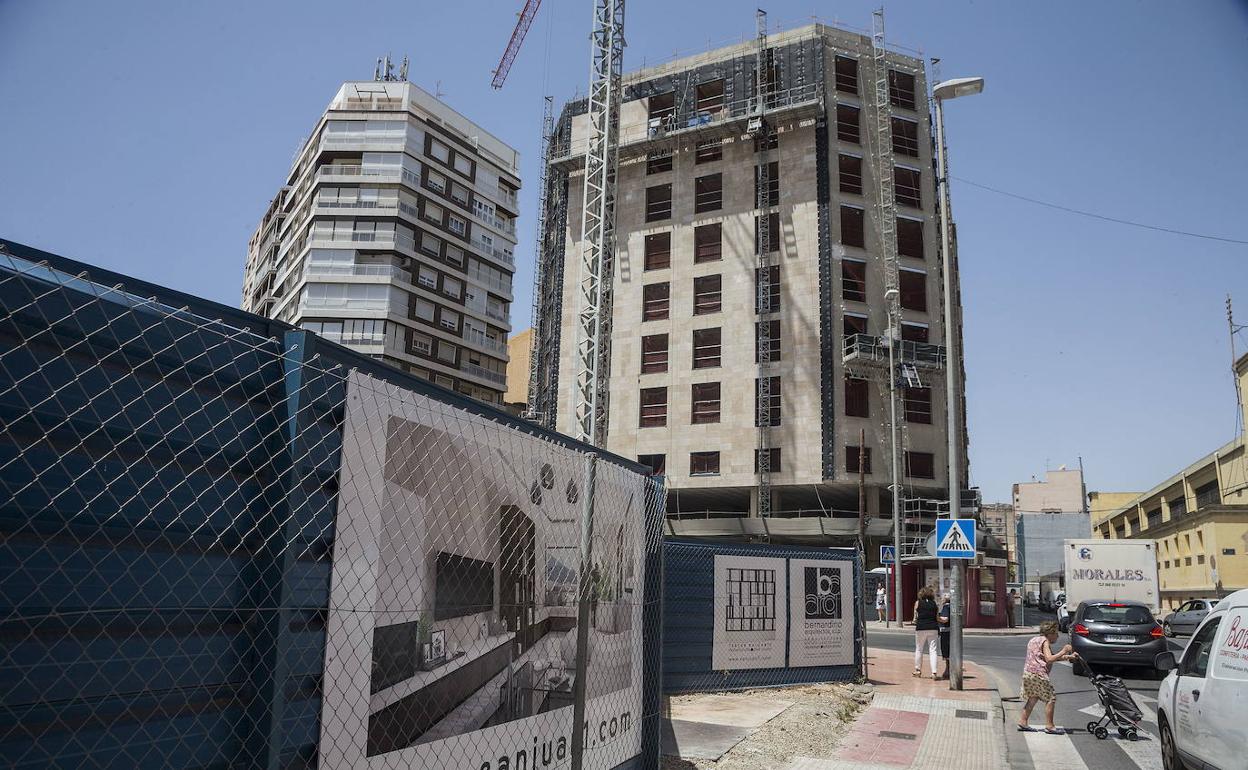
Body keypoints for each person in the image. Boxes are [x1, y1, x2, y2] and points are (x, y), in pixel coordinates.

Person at [1018, 621, 1078, 734]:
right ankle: (1050, 726)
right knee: (1051, 698)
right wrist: (1064, 650)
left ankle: (1023, 721)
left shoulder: (1034, 640)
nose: (1057, 636)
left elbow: (1049, 657)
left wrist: (1069, 656)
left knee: (1033, 697)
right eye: (1056, 633)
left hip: (1028, 673)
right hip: (1038, 674)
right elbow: (1050, 659)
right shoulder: (1045, 641)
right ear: (1050, 633)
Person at [913, 586, 940, 678]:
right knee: (933, 650)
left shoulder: (918, 603)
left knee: (919, 649)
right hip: (933, 627)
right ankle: (934, 672)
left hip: (921, 628)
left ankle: (918, 670)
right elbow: (937, 618)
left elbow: (915, 618)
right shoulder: (934, 604)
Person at [937, 594, 952, 680]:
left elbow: (945, 619)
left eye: (942, 598)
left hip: (946, 632)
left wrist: (937, 618)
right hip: (948, 631)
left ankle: (947, 670)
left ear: (945, 600)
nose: (941, 599)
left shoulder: (946, 607)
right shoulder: (949, 607)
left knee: (946, 652)